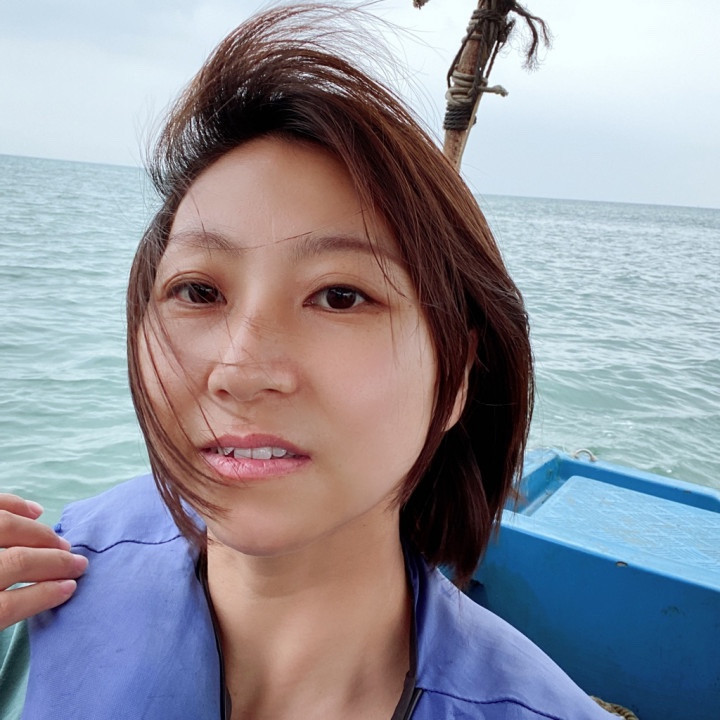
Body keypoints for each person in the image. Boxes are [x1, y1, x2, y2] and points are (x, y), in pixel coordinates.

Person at [0, 5, 616, 719]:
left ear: (457, 376)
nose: (239, 371)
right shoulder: (43, 585)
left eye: (340, 297)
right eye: (198, 291)